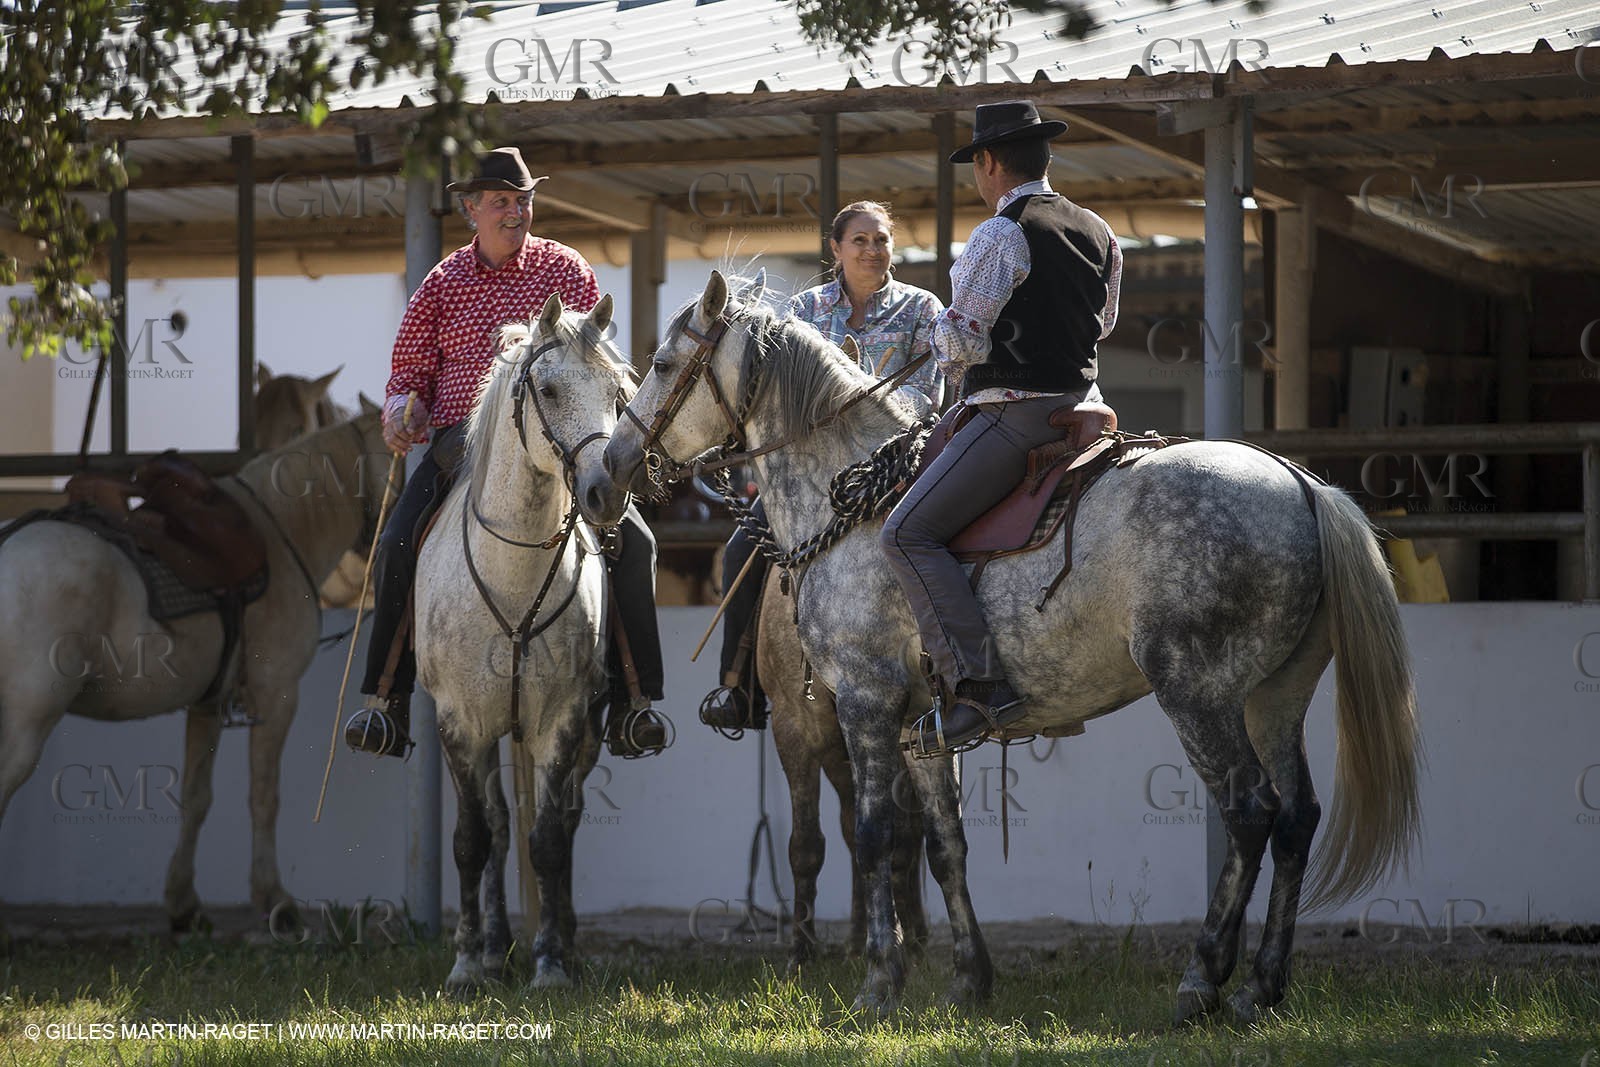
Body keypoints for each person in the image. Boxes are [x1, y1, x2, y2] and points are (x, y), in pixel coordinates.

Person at [345, 146, 669, 760]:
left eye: (522, 201)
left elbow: (595, 362)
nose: (514, 212)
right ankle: (383, 700)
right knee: (395, 543)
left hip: (562, 444)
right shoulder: (441, 283)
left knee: (638, 543)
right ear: (471, 209)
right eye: (500, 202)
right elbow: (406, 379)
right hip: (460, 451)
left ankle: (636, 701)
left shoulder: (566, 271)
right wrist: (399, 412)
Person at [880, 101, 1124, 758]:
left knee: (905, 533)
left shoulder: (999, 232)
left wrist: (933, 337)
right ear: (1044, 156)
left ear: (989, 163)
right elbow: (1102, 326)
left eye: (976, 167)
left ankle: (981, 688)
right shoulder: (1100, 229)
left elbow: (961, 340)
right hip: (1089, 409)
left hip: (1016, 414)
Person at [700, 201, 944, 732]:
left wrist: (872, 423)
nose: (873, 250)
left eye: (881, 240)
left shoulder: (922, 308)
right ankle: (737, 687)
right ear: (836, 249)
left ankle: (949, 673)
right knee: (743, 545)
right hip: (812, 474)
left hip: (894, 466)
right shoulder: (806, 310)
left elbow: (931, 392)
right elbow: (780, 396)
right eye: (859, 240)